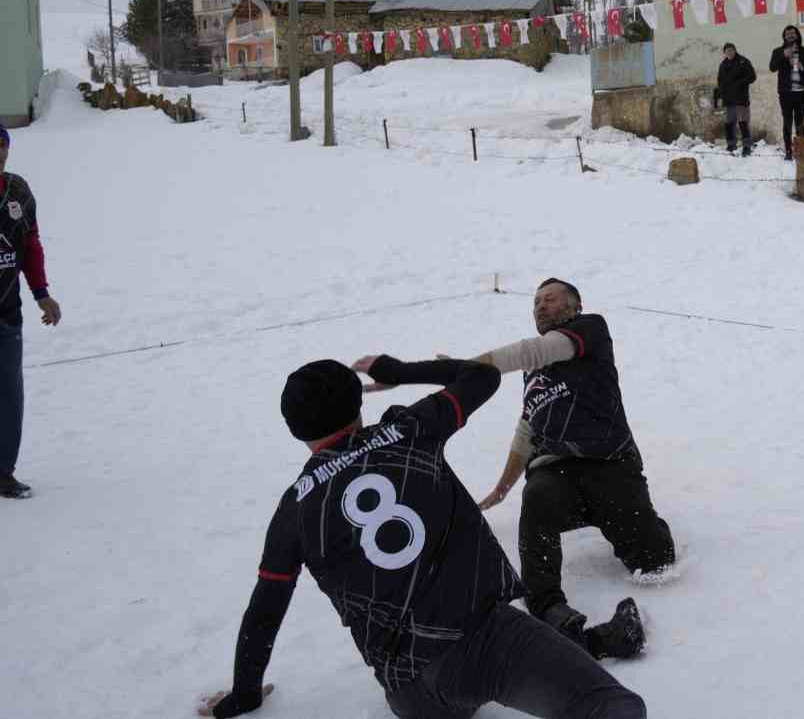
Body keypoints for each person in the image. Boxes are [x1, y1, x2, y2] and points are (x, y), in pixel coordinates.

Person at [197, 355, 645, 719]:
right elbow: (483, 375)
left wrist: (245, 697)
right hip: (489, 637)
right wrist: (401, 372)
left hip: (412, 689)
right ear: (357, 405)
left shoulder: (293, 508)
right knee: (613, 708)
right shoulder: (409, 430)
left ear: (296, 429)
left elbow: (264, 611)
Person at [476, 278, 674, 661]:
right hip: (557, 474)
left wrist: (461, 368)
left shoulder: (590, 330)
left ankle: (644, 526)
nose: (540, 306)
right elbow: (528, 428)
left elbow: (538, 349)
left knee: (656, 563)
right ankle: (546, 604)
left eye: (550, 299)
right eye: (535, 301)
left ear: (574, 307)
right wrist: (503, 487)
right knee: (537, 496)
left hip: (610, 466)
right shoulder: (532, 370)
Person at [0, 126, 62, 501]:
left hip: (8, 311)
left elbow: (30, 245)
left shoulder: (17, 191)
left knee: (10, 396)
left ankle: (4, 471)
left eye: (2, 146)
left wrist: (42, 294)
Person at [769, 25, 804, 160]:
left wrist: (803, 67)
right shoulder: (777, 51)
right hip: (785, 93)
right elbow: (772, 67)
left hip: (801, 92)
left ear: (797, 35)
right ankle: (789, 151)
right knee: (787, 122)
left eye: (793, 33)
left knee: (800, 123)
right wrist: (784, 55)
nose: (790, 35)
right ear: (784, 36)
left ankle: (801, 150)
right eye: (788, 33)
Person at [715, 42, 756, 157]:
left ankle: (746, 146)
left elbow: (752, 76)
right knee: (729, 124)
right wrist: (721, 95)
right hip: (728, 100)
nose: (729, 52)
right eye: (727, 51)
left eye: (731, 50)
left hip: (741, 98)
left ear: (735, 50)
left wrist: (739, 83)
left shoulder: (743, 61)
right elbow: (720, 81)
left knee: (743, 123)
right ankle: (731, 145)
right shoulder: (723, 64)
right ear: (724, 53)